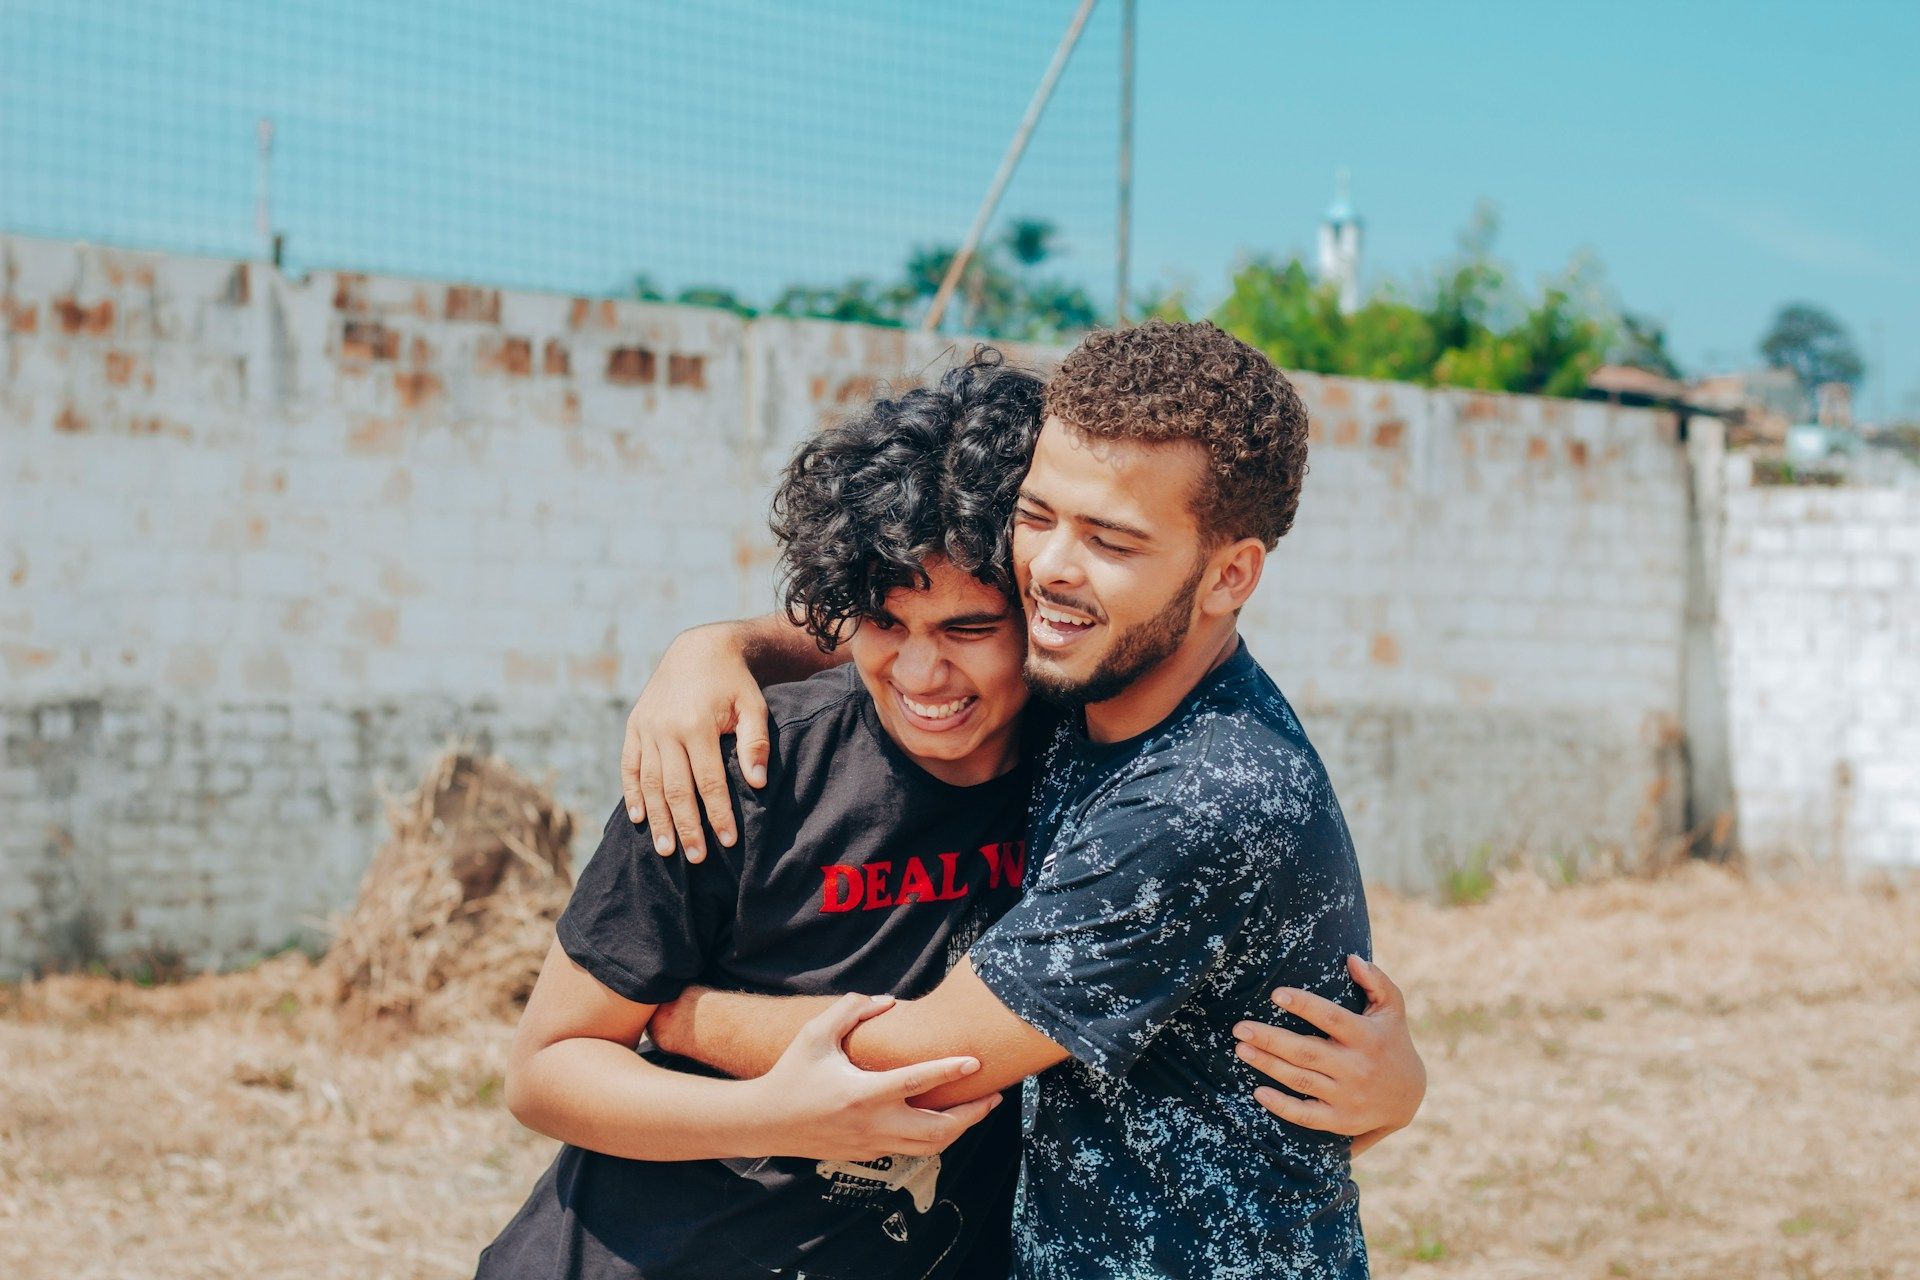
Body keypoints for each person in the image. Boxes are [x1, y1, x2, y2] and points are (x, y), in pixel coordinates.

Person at [479, 349, 1415, 1280]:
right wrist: (715, 646)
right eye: (1038, 520)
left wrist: (678, 1020)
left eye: (1112, 541)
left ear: (1229, 576)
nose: (1055, 568)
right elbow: (546, 1067)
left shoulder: (1175, 785)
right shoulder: (741, 764)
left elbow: (939, 1059)